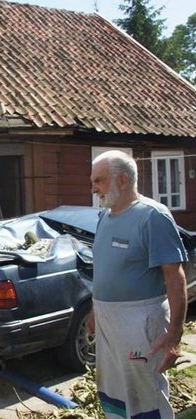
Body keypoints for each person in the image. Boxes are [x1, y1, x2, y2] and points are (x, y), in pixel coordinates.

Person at [88, 150, 188, 418]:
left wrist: (175, 334)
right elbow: (104, 269)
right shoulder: (103, 219)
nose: (94, 188)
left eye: (99, 181)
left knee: (145, 393)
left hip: (140, 322)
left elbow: (175, 277)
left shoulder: (152, 216)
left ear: (122, 179)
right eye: (92, 182)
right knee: (113, 389)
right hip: (108, 322)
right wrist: (94, 310)